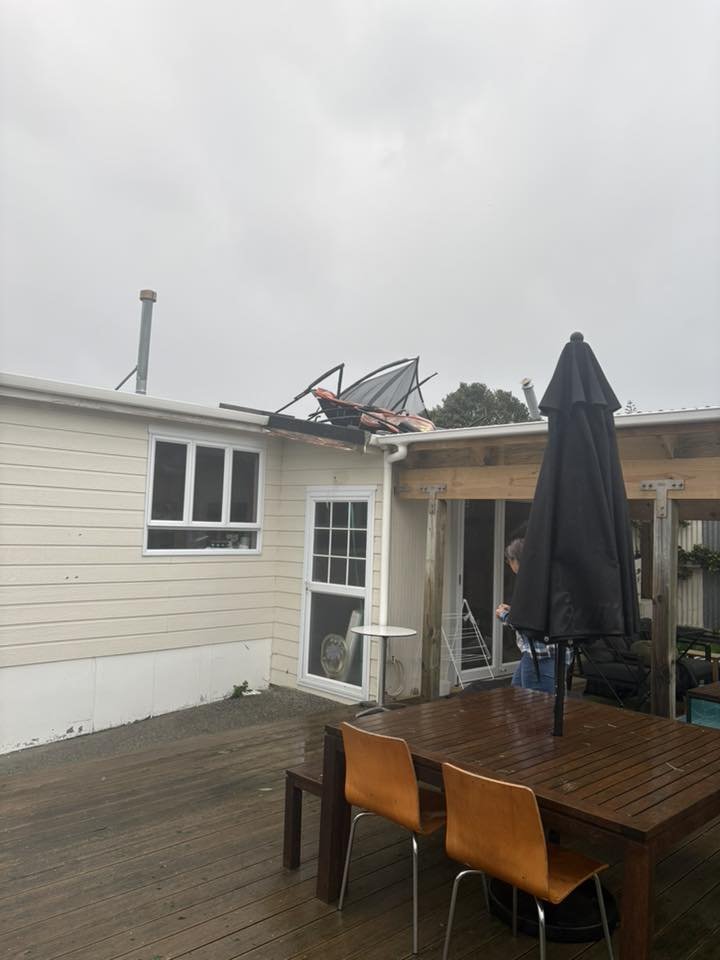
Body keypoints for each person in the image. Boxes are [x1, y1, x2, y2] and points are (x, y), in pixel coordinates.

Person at [495, 537, 567, 694]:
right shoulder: (545, 578)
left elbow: (528, 623)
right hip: (549, 652)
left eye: (509, 561)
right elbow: (539, 612)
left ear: (516, 560)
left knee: (538, 708)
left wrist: (505, 616)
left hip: (541, 656)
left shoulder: (529, 583)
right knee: (516, 695)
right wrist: (514, 610)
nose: (510, 566)